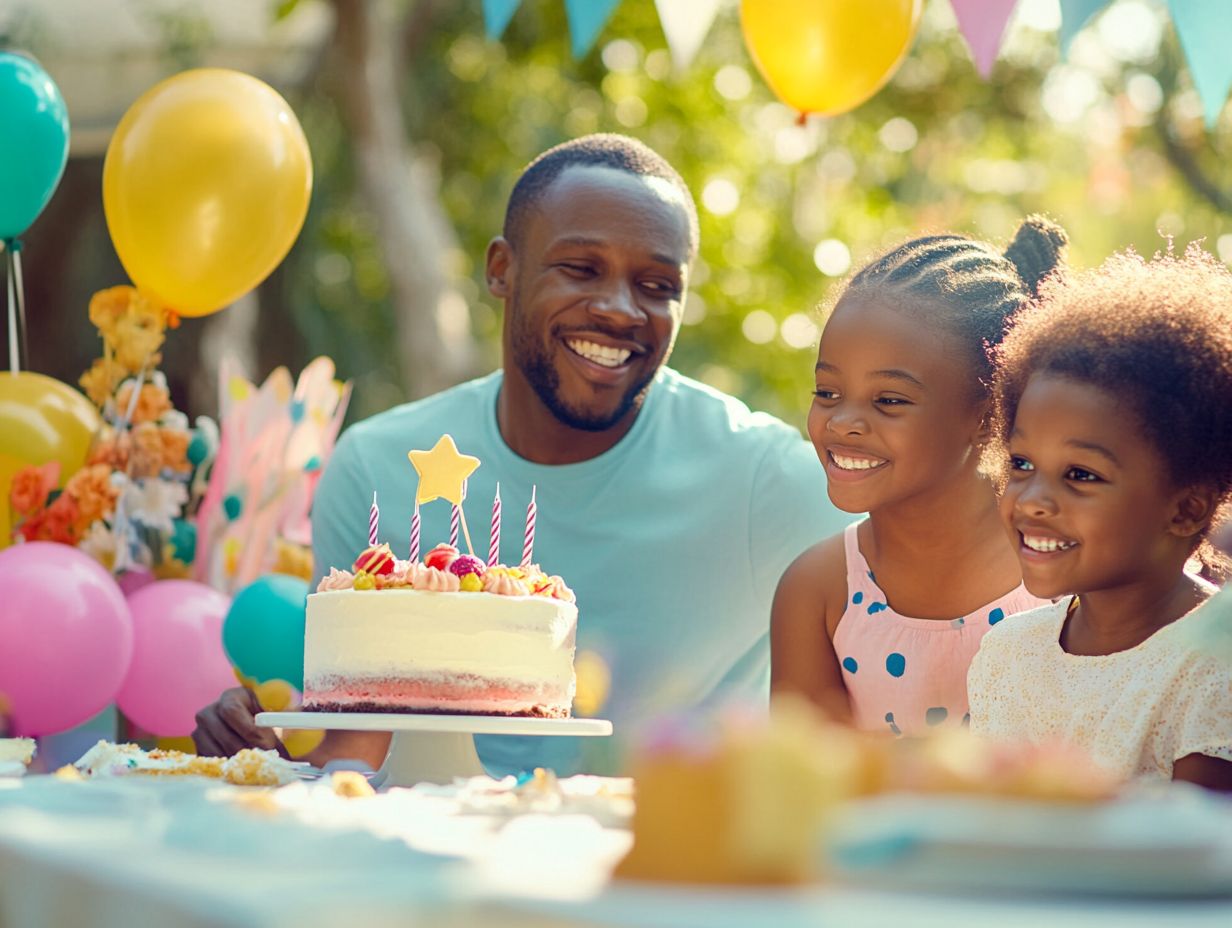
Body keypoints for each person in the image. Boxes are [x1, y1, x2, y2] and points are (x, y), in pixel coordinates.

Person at [192, 134, 850, 774]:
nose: (619, 309)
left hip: (663, 870)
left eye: (656, 285)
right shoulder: (375, 470)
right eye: (581, 268)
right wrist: (270, 762)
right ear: (502, 269)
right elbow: (355, 755)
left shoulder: (770, 483)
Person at [771, 217, 1066, 735]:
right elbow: (808, 790)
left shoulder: (1064, 579)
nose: (841, 423)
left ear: (985, 412)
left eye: (889, 400)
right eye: (827, 393)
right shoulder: (819, 591)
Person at [967, 246, 1232, 790]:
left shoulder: (1213, 667)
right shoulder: (1007, 653)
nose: (1033, 500)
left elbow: (1192, 863)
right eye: (1022, 463)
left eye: (1081, 475)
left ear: (1186, 508)